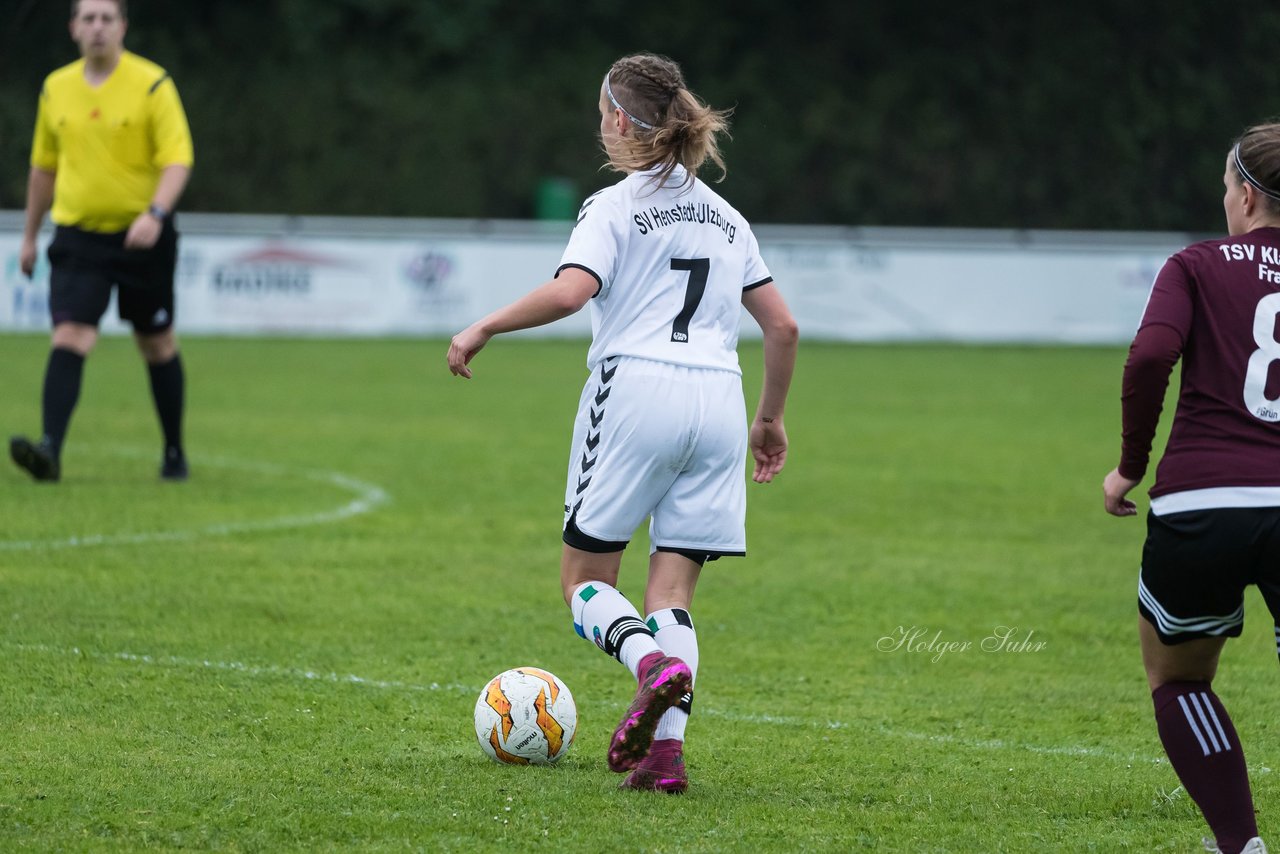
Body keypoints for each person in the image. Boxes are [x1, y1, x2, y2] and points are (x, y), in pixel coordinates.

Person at [448, 53, 798, 794]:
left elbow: (574, 293)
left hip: (637, 391)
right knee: (671, 593)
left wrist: (484, 325)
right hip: (721, 404)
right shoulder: (729, 219)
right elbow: (783, 327)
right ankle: (665, 757)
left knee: (583, 581)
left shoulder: (614, 206)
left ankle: (648, 665)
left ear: (617, 119)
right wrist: (769, 420)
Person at [1103, 123, 1280, 854]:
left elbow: (1150, 358)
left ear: (1244, 193)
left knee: (1179, 677)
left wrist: (1130, 467)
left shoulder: (1196, 265)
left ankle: (1240, 846)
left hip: (1200, 503)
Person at [10, 0, 194, 483]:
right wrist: (29, 236)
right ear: (73, 28)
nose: (97, 28)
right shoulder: (56, 89)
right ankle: (49, 451)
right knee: (70, 335)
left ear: (123, 27)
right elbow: (43, 168)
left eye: (106, 18)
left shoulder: (152, 83)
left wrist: (156, 212)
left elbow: (178, 159)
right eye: (87, 18)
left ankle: (174, 451)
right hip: (78, 237)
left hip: (142, 238)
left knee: (155, 343)